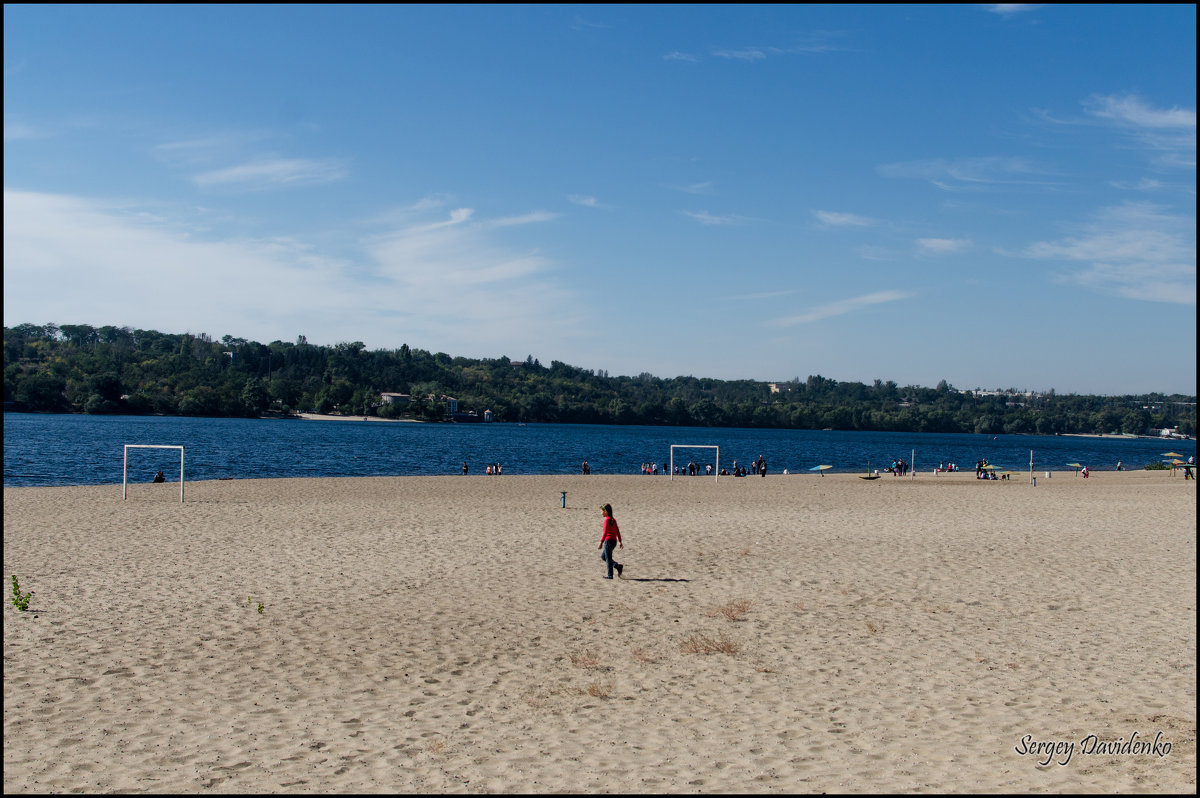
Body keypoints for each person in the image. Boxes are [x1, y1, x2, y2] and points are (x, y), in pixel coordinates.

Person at [598, 503, 623, 579]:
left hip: (608, 541)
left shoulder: (607, 520)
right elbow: (617, 530)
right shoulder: (613, 520)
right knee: (603, 557)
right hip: (614, 541)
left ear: (606, 511)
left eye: (601, 511)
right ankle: (617, 566)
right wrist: (619, 541)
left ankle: (610, 575)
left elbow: (605, 532)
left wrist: (601, 542)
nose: (601, 513)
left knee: (608, 558)